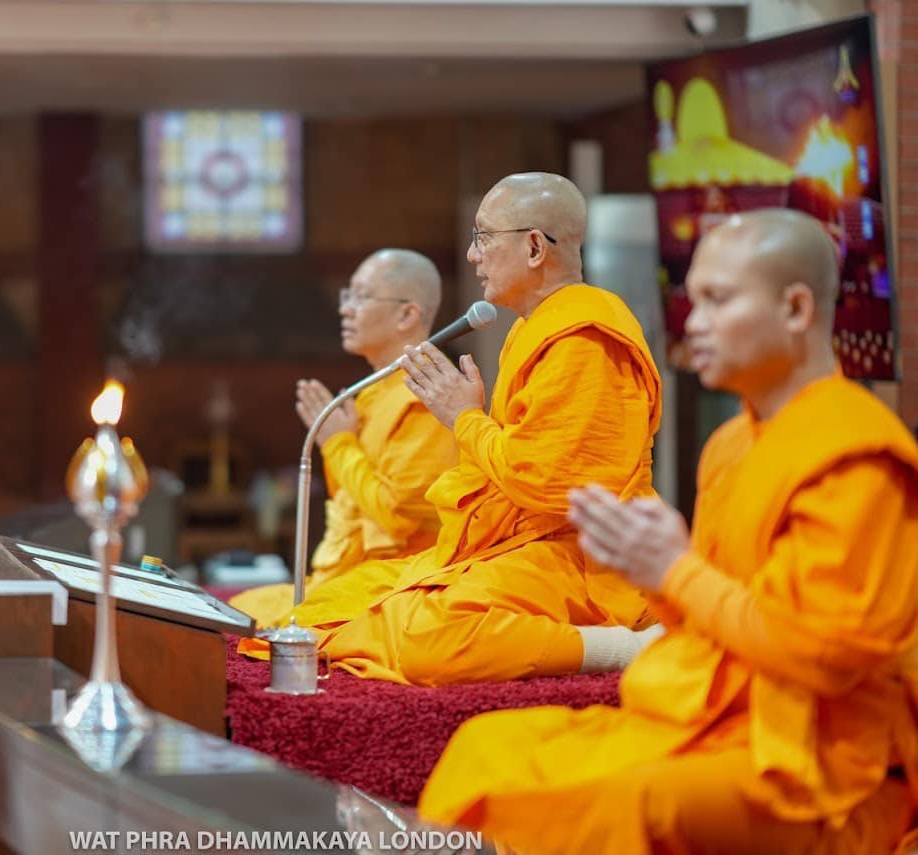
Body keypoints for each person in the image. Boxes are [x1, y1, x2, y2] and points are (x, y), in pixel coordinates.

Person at [420, 209, 918, 852]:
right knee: (486, 747)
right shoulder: (732, 444)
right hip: (715, 712)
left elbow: (823, 656)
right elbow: (709, 613)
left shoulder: (855, 456)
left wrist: (673, 570)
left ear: (796, 309)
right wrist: (650, 572)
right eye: (693, 301)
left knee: (629, 805)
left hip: (817, 759)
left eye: (718, 301)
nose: (694, 325)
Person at [246, 172, 663, 685]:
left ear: (534, 247)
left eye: (483, 237)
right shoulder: (534, 330)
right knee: (331, 608)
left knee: (428, 637)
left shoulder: (585, 339)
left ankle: (623, 647)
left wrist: (463, 418)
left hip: (580, 554)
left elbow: (552, 485)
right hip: (515, 543)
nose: (472, 255)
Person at [230, 249, 457, 628]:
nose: (346, 309)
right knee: (240, 608)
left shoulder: (427, 394)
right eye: (346, 296)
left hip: (402, 576)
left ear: (407, 314)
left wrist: (337, 444)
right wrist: (340, 444)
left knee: (289, 625)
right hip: (354, 572)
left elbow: (397, 517)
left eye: (362, 297)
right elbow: (350, 504)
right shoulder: (373, 392)